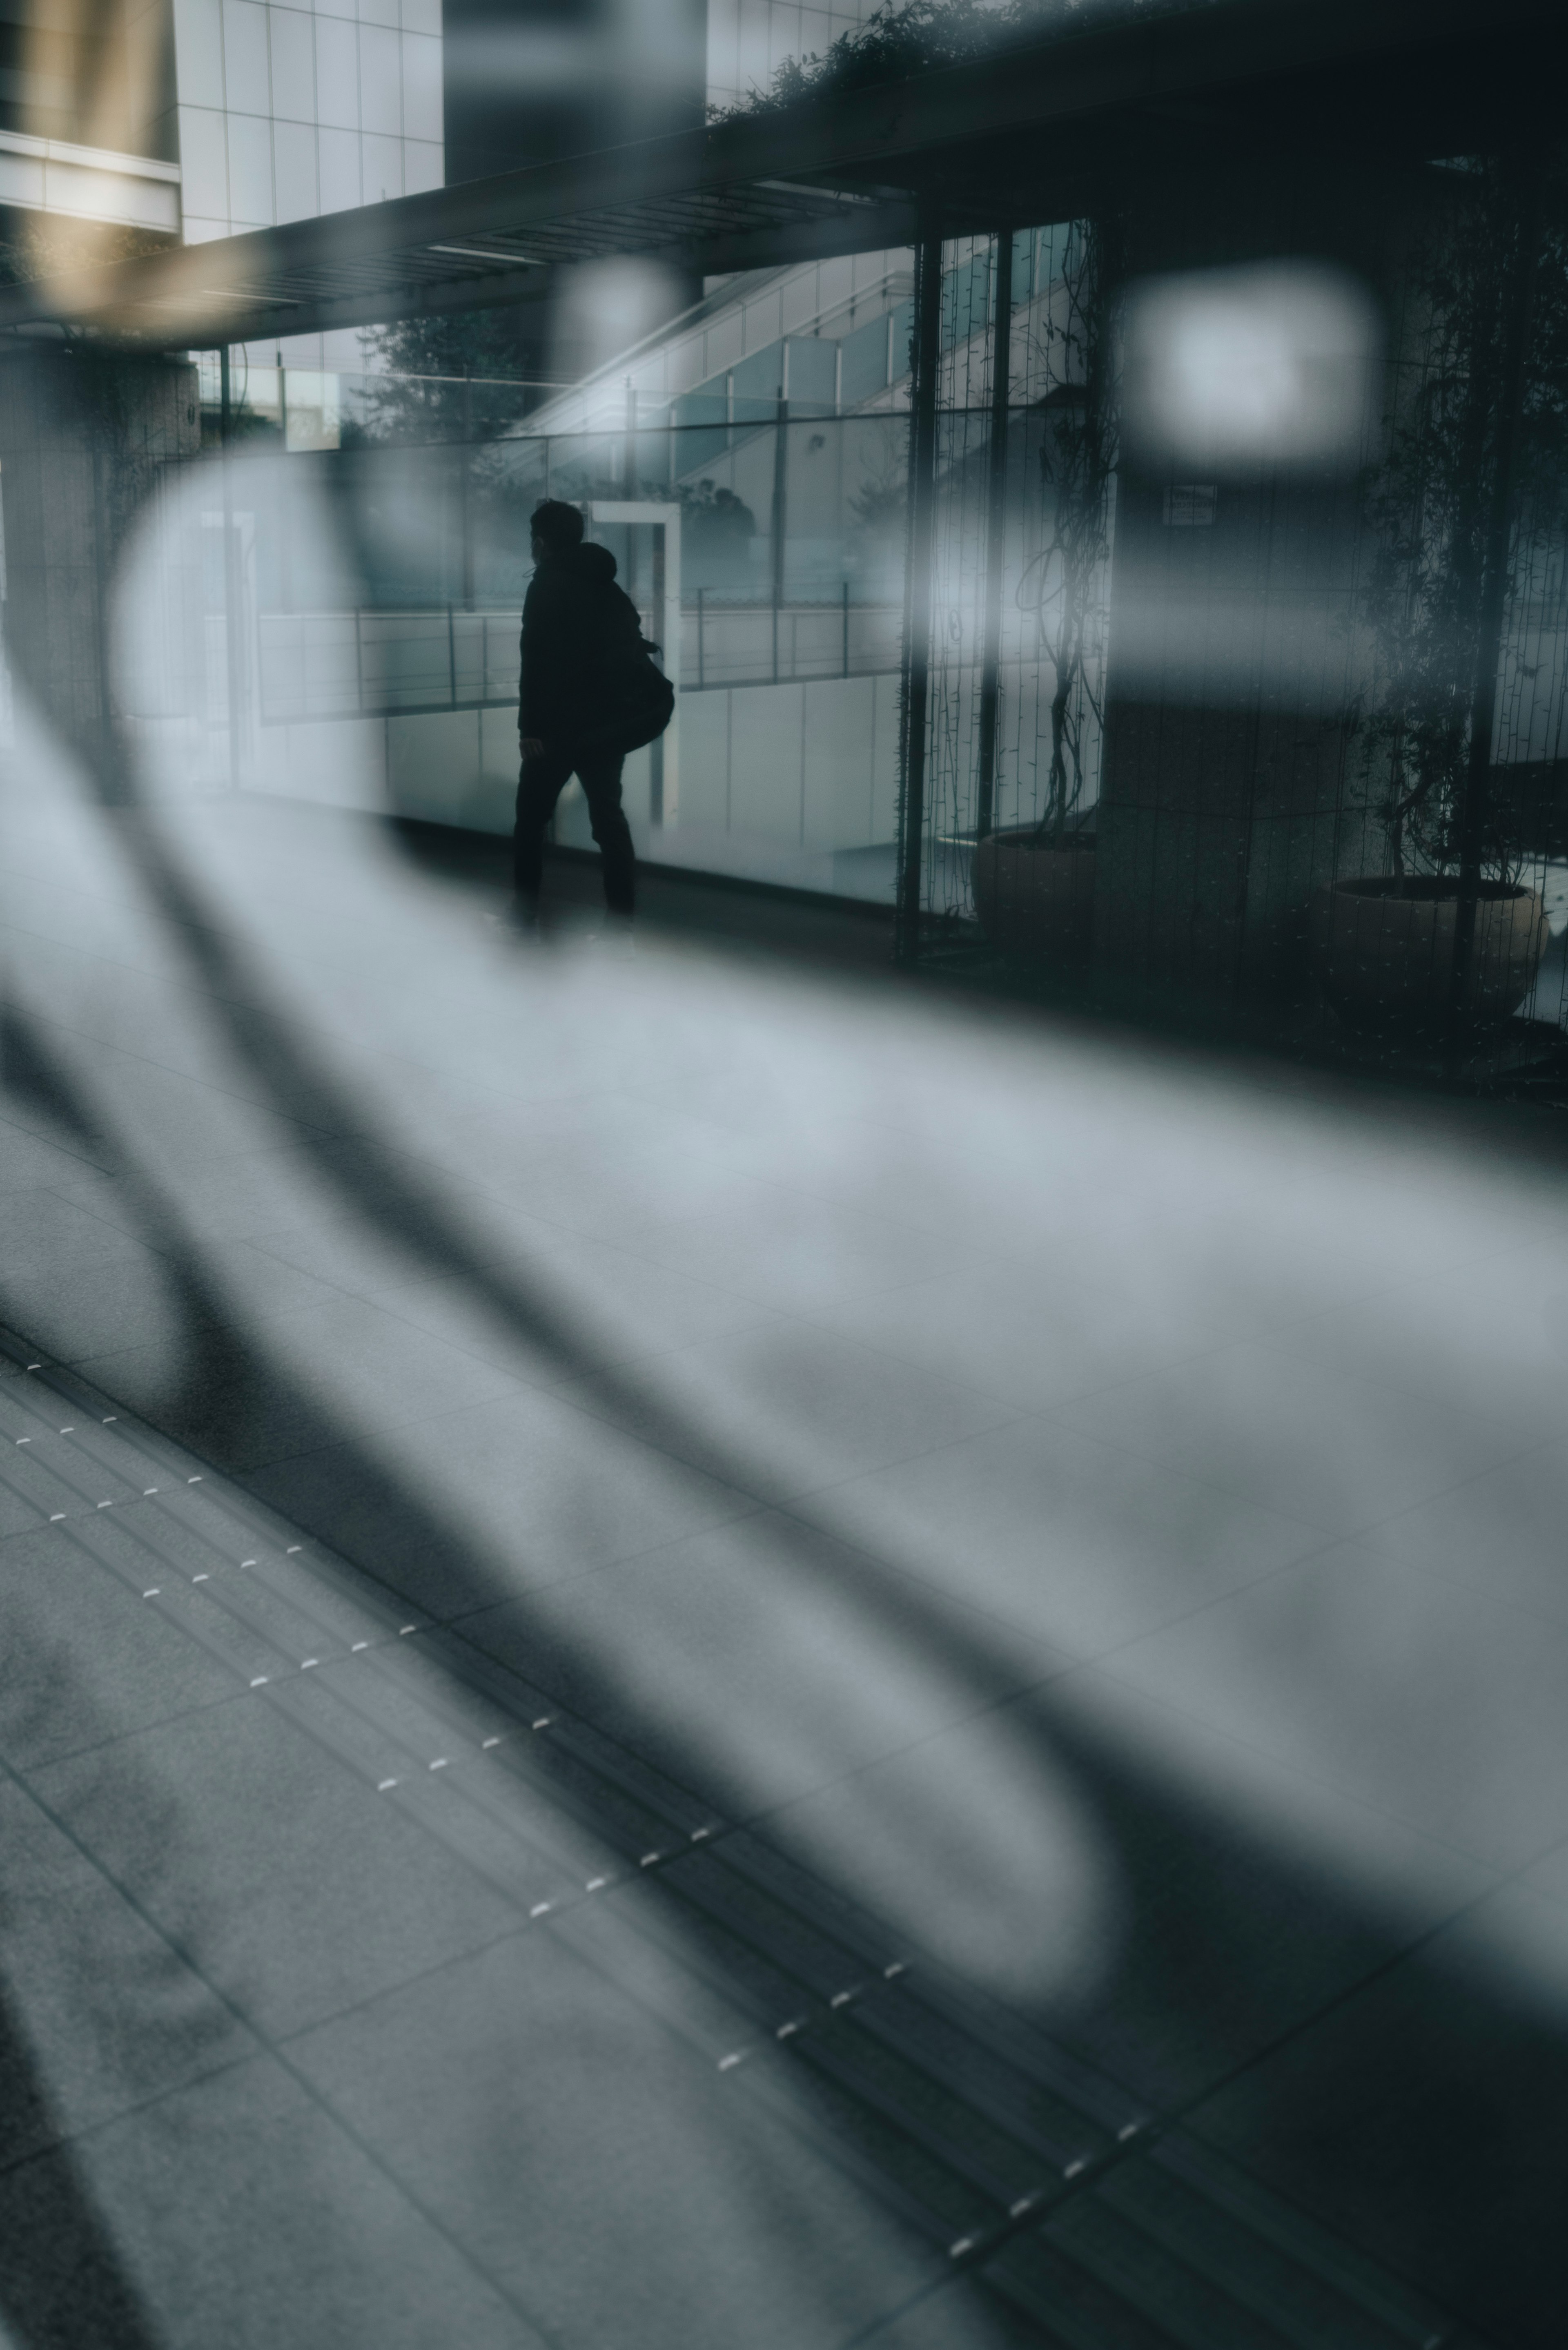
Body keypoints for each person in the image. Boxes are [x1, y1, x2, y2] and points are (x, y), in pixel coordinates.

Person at [514, 499, 642, 932]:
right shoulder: (608, 586)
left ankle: (525, 917)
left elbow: (535, 660)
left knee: (531, 823)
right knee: (610, 823)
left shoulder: (547, 585)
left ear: (541, 543)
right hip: (606, 729)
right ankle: (621, 930)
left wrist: (530, 727)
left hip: (554, 730)